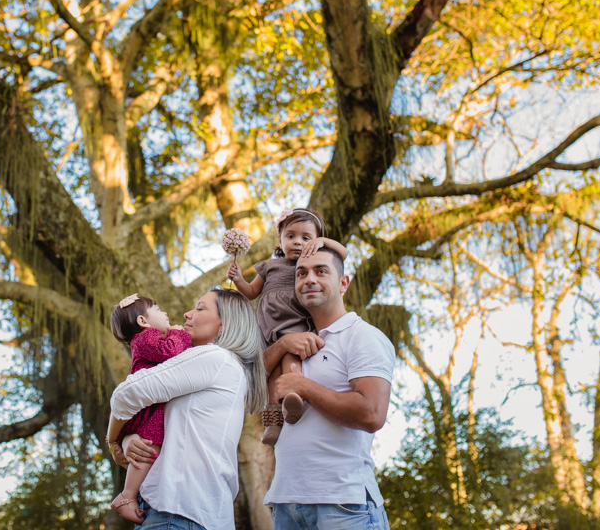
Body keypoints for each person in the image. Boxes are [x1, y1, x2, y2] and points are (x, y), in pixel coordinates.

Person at [108, 288, 268, 530]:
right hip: (186, 512)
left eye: (200, 308)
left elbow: (126, 394)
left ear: (224, 324)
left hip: (177, 512)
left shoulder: (214, 358)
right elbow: (161, 420)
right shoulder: (216, 365)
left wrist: (113, 440)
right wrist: (131, 437)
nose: (186, 314)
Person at [263, 247, 395, 530]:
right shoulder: (294, 343)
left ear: (343, 283)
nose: (309, 279)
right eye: (301, 274)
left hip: (344, 505)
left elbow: (372, 414)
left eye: (321, 271)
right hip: (286, 504)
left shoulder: (363, 336)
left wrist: (304, 387)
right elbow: (246, 379)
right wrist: (283, 344)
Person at [227, 208, 348, 445]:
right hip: (267, 326)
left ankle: (294, 395)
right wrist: (239, 279)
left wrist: (323, 242)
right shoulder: (270, 266)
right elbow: (251, 292)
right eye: (290, 236)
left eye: (306, 238)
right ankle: (273, 420)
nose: (297, 242)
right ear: (280, 240)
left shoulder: (306, 268)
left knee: (289, 358)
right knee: (272, 373)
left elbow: (342, 253)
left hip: (294, 323)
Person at [106, 293, 193, 524]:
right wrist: (179, 333)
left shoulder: (146, 338)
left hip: (148, 407)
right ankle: (127, 495)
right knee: (148, 446)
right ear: (143, 322)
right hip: (148, 410)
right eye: (158, 309)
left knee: (148, 446)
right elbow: (169, 352)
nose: (165, 314)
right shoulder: (147, 337)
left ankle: (129, 494)